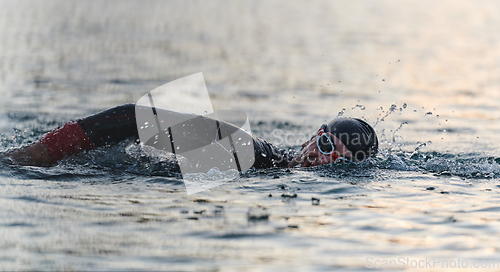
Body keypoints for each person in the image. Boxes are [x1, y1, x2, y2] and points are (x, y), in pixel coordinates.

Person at [5, 104, 378, 169]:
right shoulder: (251, 153)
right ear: (315, 136)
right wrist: (42, 152)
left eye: (338, 162)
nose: (321, 159)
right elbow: (136, 117)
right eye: (326, 146)